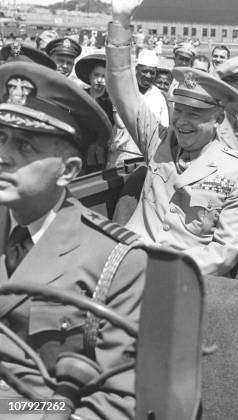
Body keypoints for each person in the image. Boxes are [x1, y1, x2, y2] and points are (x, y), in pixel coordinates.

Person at [0, 61, 147, 418]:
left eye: (26, 146)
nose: (4, 155)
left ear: (69, 172)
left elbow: (118, 401)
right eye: (0, 138)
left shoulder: (119, 261)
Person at [106, 0, 238, 275]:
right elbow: (123, 88)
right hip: (125, 267)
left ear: (218, 119)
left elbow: (223, 253)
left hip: (178, 280)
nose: (183, 122)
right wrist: (122, 21)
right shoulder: (159, 141)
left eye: (196, 114)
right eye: (180, 111)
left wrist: (163, 272)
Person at [106, 49, 169, 167]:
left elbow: (164, 130)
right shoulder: (122, 90)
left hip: (147, 159)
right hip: (121, 155)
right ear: (136, 70)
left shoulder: (159, 97)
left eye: (152, 72)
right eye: (144, 71)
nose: (148, 76)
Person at [75, 53, 114, 172]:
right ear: (90, 76)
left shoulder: (111, 102)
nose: (100, 80)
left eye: (104, 76)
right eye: (96, 75)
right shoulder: (79, 96)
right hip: (79, 151)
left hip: (101, 156)